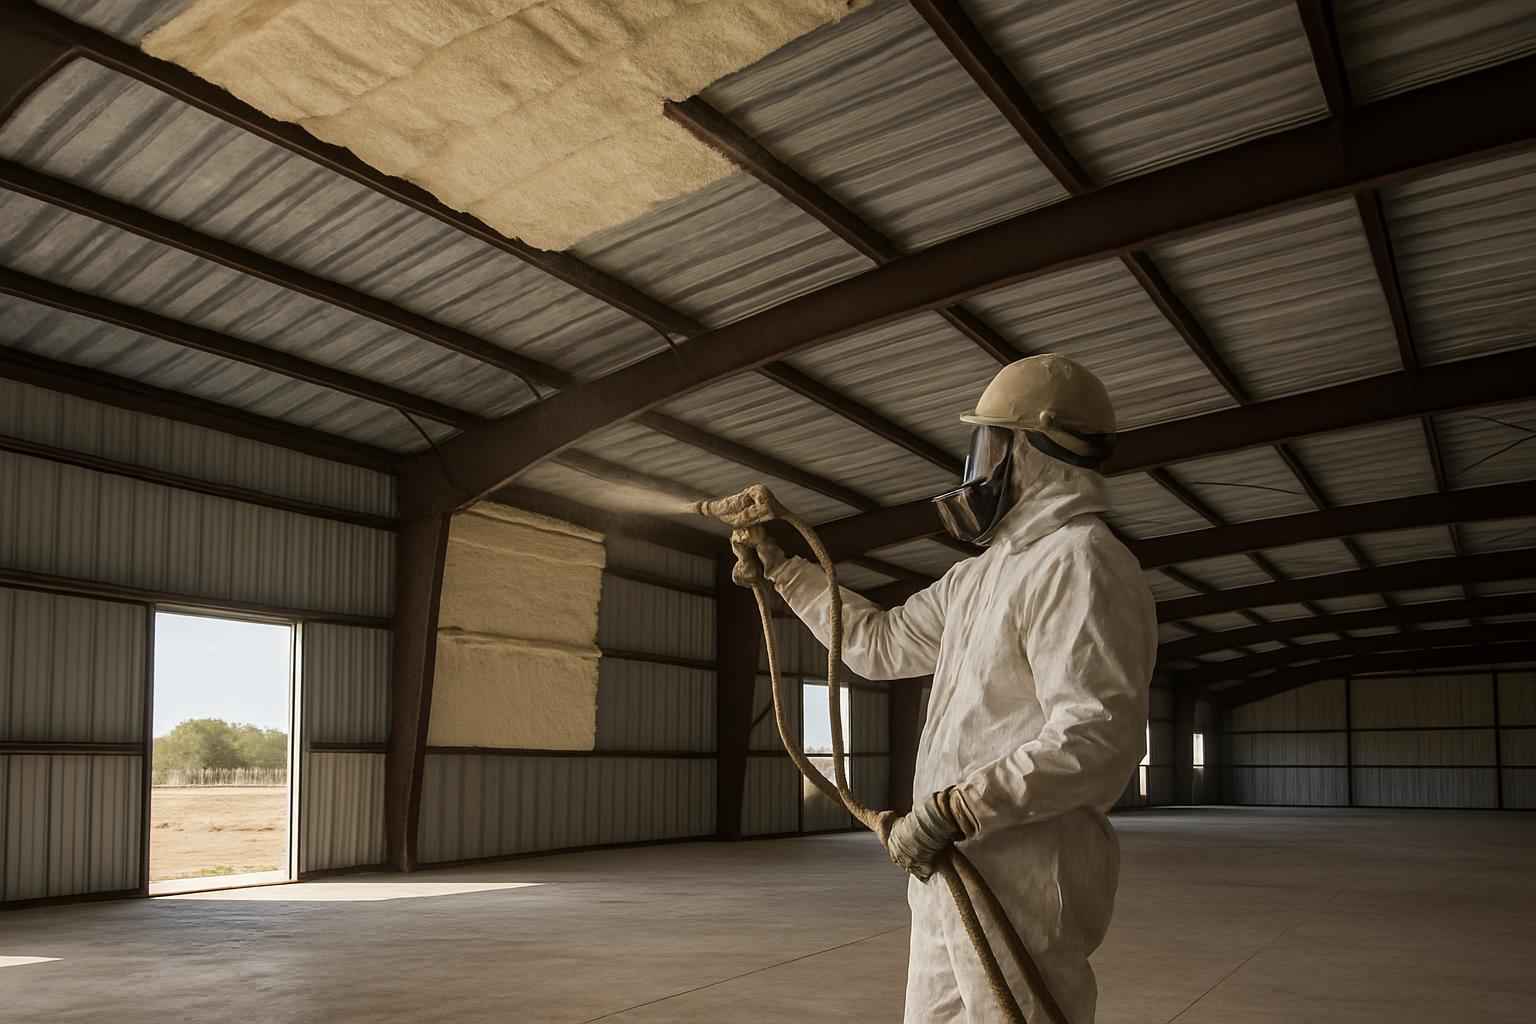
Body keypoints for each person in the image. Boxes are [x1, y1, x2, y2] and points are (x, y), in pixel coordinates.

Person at [749, 353, 1156, 1023]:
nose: (979, 468)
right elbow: (878, 643)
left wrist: (956, 809)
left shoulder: (1081, 560)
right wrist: (785, 571)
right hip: (949, 866)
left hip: (1024, 874)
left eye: (992, 445)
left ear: (1036, 448)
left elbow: (1096, 738)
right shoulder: (979, 577)